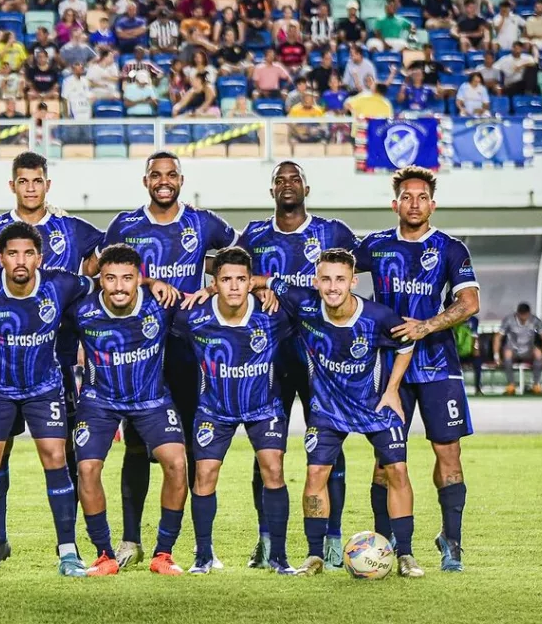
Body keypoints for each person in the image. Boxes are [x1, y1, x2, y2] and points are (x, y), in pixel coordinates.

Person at [0, 152, 105, 567]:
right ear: (13, 185)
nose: (31, 188)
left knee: (62, 456)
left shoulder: (68, 228)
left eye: (37, 181)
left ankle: (68, 549)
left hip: (52, 366)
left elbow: (106, 262)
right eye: (23, 181)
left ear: (47, 185)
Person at [101, 151, 238, 568]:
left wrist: (214, 288)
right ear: (146, 182)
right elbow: (106, 272)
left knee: (195, 445)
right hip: (138, 348)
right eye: (156, 175)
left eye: (171, 175)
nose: (164, 181)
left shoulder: (203, 222)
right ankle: (130, 540)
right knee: (137, 445)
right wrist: (147, 280)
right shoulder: (126, 224)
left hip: (187, 346)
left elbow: (236, 259)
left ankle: (202, 546)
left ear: (181, 179)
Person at [354, 166, 480, 574]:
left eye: (421, 197)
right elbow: (333, 274)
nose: (414, 203)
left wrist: (424, 326)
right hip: (390, 368)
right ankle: (383, 542)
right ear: (395, 204)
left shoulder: (450, 248)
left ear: (433, 203)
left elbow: (469, 303)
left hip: (439, 366)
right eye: (406, 197)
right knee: (384, 459)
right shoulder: (374, 246)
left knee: (449, 453)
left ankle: (452, 541)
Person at [266, 250, 421, 579]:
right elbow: (262, 280)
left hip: (373, 406)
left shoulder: (379, 316)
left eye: (340, 279)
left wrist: (393, 389)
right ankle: (314, 555)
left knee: (397, 470)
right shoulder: (304, 304)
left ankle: (405, 553)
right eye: (326, 279)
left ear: (353, 281)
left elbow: (407, 344)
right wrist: (223, 288)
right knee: (314, 475)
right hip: (328, 410)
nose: (333, 287)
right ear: (315, 281)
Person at [236, 162, 358, 569]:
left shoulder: (333, 232)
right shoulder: (254, 234)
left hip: (320, 358)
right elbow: (228, 273)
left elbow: (351, 275)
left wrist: (272, 283)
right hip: (268, 356)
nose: (287, 185)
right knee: (265, 450)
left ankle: (333, 538)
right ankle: (267, 539)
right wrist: (258, 282)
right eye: (280, 180)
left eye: (294, 179)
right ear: (271, 190)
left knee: (328, 449)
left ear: (306, 186)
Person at [69, 244, 188, 576]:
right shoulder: (82, 310)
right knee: (88, 469)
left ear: (139, 278)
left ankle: (163, 554)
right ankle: (104, 555)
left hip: (151, 400)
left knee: (177, 464)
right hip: (99, 402)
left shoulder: (160, 305)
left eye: (127, 278)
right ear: (100, 279)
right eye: (110, 278)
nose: (119, 286)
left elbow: (206, 303)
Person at [173, 247, 294, 574]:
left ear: (250, 280)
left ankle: (279, 557)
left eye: (242, 279)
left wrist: (270, 286)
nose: (235, 286)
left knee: (274, 470)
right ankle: (203, 555)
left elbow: (309, 300)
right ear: (215, 282)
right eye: (226, 279)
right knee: (205, 475)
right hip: (214, 409)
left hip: (263, 406)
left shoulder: (272, 313)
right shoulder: (193, 316)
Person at [494, 302, 542, 395]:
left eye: (525, 315)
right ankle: (511, 385)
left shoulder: (535, 320)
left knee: (538, 353)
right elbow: (498, 337)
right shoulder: (509, 320)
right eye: (521, 315)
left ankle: (536, 385)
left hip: (528, 349)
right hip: (513, 349)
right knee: (507, 353)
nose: (523, 317)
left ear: (529, 313)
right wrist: (496, 356)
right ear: (517, 313)